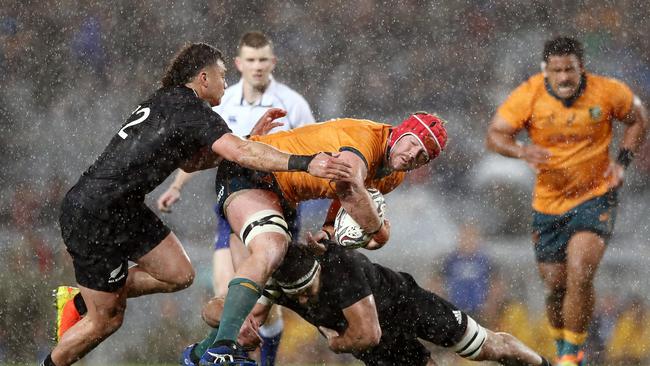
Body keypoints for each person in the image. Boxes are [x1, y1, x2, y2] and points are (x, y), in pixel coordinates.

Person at [44, 42, 352, 366]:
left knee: (180, 274)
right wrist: (305, 163)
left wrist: (246, 138)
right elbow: (239, 154)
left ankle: (83, 299)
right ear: (203, 78)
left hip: (124, 208)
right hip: (94, 213)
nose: (226, 84)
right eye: (222, 76)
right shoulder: (190, 110)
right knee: (106, 320)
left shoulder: (168, 102)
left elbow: (193, 162)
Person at [193, 112, 448, 365]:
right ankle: (222, 348)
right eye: (413, 143)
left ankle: (199, 353)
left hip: (284, 196)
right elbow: (347, 186)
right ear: (401, 131)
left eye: (422, 156)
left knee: (256, 309)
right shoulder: (365, 139)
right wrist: (380, 231)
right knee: (271, 250)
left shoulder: (394, 174)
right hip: (253, 172)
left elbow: (344, 210)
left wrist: (326, 236)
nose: (412, 155)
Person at [156, 31, 315, 366]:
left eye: (263, 60)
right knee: (228, 300)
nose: (257, 67)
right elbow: (210, 150)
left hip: (274, 209)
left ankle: (223, 355)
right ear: (240, 64)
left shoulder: (293, 103)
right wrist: (177, 186)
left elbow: (313, 153)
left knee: (258, 304)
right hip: (231, 208)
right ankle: (216, 354)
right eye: (250, 61)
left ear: (272, 62)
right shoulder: (222, 101)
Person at [486, 36, 647, 366]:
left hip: (595, 197)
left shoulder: (607, 91)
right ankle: (564, 347)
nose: (563, 78)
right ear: (546, 70)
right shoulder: (529, 94)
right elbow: (495, 135)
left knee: (580, 270)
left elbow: (638, 118)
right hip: (548, 204)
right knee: (555, 285)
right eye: (557, 70)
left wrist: (622, 162)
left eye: (570, 70)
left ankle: (572, 356)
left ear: (581, 67)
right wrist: (521, 150)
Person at [200, 243, 553, 366]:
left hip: (407, 306)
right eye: (299, 296)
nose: (305, 300)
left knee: (486, 349)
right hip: (381, 343)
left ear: (318, 270)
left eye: (309, 291)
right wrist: (237, 326)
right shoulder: (278, 281)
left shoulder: (343, 269)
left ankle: (538, 362)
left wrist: (336, 342)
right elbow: (215, 308)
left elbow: (366, 334)